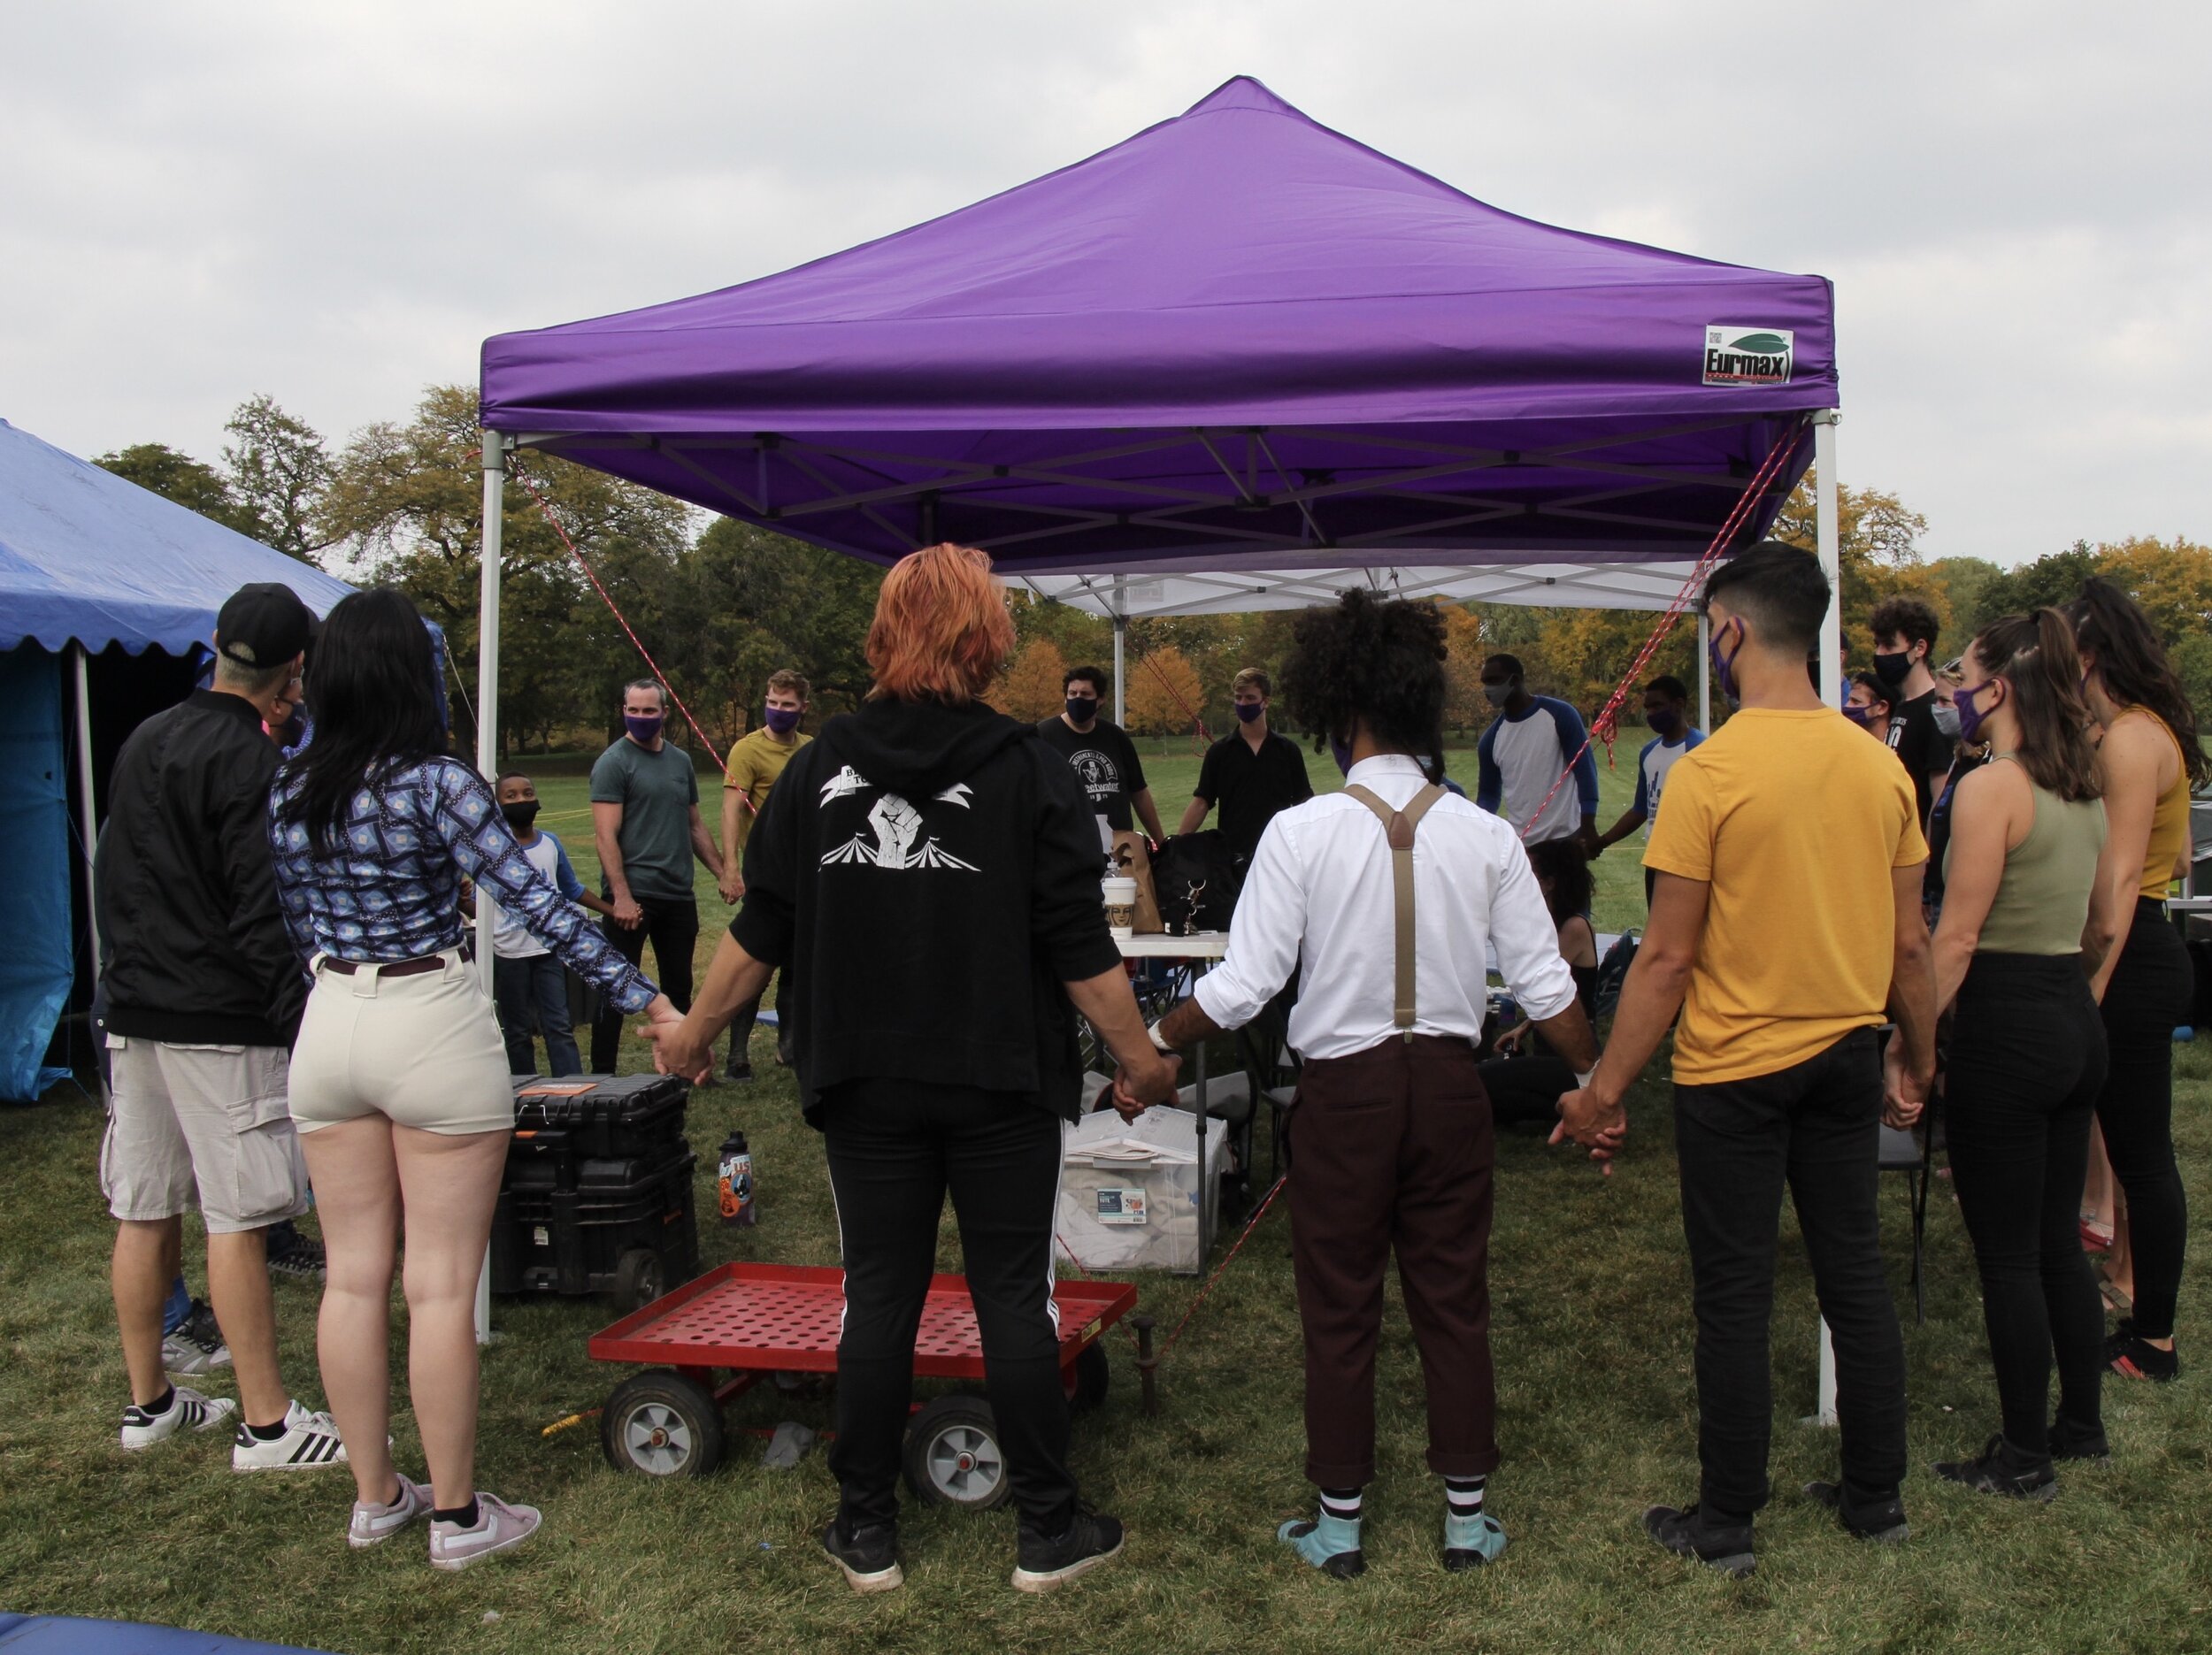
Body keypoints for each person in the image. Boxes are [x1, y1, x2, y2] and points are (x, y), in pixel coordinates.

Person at [645, 544, 1179, 1597]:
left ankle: (867, 1530)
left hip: (867, 1081)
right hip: (996, 1080)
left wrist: (697, 1030)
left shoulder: (816, 765)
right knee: (1012, 1298)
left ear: (887, 634)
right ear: (987, 641)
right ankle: (1044, 1528)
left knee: (878, 1293)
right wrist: (1142, 1059)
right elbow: (1081, 946)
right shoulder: (1026, 765)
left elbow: (759, 930)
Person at [1149, 592, 1598, 1578]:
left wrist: (1154, 1043)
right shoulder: (1484, 836)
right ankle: (1466, 1518)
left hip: (1344, 1098)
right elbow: (1546, 986)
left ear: (1335, 705)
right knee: (1452, 1297)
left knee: (1340, 1302)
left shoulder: (1302, 831)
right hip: (1449, 1088)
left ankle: (1340, 1521)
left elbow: (1243, 985)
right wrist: (1595, 1079)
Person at [271, 590, 680, 1569]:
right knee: (442, 1284)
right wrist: (650, 1000)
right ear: (409, 675)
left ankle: (375, 1497)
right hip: (429, 1020)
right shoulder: (436, 781)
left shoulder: (290, 784)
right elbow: (534, 902)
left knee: (353, 1275)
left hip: (329, 1021)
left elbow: (293, 923)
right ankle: (456, 1516)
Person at [1558, 541, 1937, 1575]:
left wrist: (1602, 1090)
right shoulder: (1879, 761)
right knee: (1851, 1276)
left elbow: (1667, 956)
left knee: (1732, 1295)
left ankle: (1725, 1518)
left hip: (1733, 1070)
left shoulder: (1708, 772)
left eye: (1709, 628)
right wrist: (1920, 1053)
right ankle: (1875, 1499)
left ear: (1729, 630)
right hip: (1846, 1053)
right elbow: (1909, 945)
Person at [94, 580, 346, 1467]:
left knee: (144, 1202)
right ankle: (268, 1422)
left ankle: (148, 1400)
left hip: (132, 1006)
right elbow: (259, 911)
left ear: (214, 644)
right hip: (215, 1016)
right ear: (297, 672)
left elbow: (113, 871)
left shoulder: (146, 737)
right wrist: (300, 1023)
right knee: (234, 1215)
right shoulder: (255, 762)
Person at [1925, 610, 2117, 1497]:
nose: (1956, 690)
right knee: (2054, 1245)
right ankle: (2078, 1425)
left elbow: (1955, 936)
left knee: (2006, 1253)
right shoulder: (2080, 785)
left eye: (1964, 675)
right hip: (2071, 1015)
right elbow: (2102, 922)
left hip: (2006, 1021)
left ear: (1999, 689)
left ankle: (2022, 1454)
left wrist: (1910, 1036)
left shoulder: (1990, 785)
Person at [2071, 577, 2204, 1382]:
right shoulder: (2150, 733)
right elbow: (2182, 855)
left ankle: (2154, 1339)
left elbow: (2118, 889)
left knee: (2144, 1157)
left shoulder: (2127, 740)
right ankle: (2145, 1324)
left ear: (2088, 655)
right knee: (2136, 1150)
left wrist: (2085, 995)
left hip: (2131, 958)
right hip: (2150, 947)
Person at [588, 679, 725, 1073]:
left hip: (677, 893)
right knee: (615, 986)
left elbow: (694, 824)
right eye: (634, 710)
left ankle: (683, 1066)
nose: (641, 717)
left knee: (679, 987)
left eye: (650, 711)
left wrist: (722, 873)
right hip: (634, 896)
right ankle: (602, 1073)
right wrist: (622, 897)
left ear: (665, 713)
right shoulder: (614, 762)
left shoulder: (681, 762)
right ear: (624, 711)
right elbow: (604, 835)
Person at [716, 669, 812, 1080]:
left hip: (805, 872)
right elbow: (730, 810)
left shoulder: (812, 749)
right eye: (773, 702)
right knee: (757, 960)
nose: (778, 710)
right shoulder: (747, 749)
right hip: (764, 872)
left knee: (797, 963)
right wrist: (731, 868)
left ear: (803, 709)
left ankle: (788, 1046)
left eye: (787, 705)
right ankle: (738, 1053)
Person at [490, 771, 615, 1077]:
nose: (522, 800)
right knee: (517, 1030)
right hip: (508, 954)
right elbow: (479, 903)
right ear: (497, 805)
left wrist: (611, 910)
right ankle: (524, 1089)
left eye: (528, 793)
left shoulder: (550, 843)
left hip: (549, 951)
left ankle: (571, 1089)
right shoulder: (491, 849)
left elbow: (570, 888)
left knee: (559, 1025)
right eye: (511, 796)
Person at [1479, 839, 1601, 1129]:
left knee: (1481, 1087)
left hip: (1570, 1058)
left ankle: (1560, 1112)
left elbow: (1544, 984)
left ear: (1547, 884)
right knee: (1491, 1082)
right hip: (1550, 1053)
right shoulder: (1551, 923)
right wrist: (1524, 1028)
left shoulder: (1572, 928)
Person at [1177, 667, 1313, 865]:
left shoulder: (1288, 751)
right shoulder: (1220, 752)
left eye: (1250, 698)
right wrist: (1176, 847)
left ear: (1265, 701)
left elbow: (1304, 801)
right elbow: (1201, 802)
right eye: (1238, 697)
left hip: (1280, 856)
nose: (1243, 703)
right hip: (1232, 859)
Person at [1592, 676, 1705, 905]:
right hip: (1655, 858)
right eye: (1648, 708)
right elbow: (1641, 809)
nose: (1651, 713)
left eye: (1657, 706)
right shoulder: (1648, 752)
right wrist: (1602, 841)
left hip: (1687, 861)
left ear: (1679, 704)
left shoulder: (1701, 750)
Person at [1474, 655, 1600, 853]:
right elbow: (1489, 794)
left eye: (1493, 681)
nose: (1487, 689)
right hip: (1522, 845)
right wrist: (1480, 829)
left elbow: (1585, 773)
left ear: (1515, 680)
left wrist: (1588, 825)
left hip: (1565, 838)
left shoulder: (1560, 715)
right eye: (1484, 683)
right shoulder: (1490, 740)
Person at [1035, 665, 1167, 847]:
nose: (1078, 699)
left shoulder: (1116, 737)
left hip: (1119, 850)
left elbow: (1139, 793)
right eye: (1072, 693)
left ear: (1100, 699)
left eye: (1085, 694)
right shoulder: (1043, 736)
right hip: (1066, 849)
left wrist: (1162, 844)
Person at [1869, 595, 1956, 831]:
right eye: (1877, 644)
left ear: (1920, 648)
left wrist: (1927, 857)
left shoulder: (1935, 712)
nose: (1879, 654)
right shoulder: (1901, 704)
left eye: (1888, 645)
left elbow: (1939, 801)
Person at [1842, 672, 1894, 744]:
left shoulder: (1900, 750)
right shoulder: (1849, 744)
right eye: (1848, 700)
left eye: (1856, 701)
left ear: (1882, 707)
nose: (1847, 706)